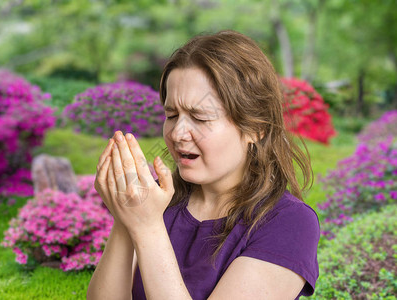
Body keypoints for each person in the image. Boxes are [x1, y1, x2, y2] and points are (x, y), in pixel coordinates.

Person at [87, 29, 320, 300]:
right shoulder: (157, 202)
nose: (177, 133)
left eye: (200, 117)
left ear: (256, 128)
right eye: (172, 114)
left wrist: (147, 228)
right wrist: (126, 216)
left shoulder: (288, 222)